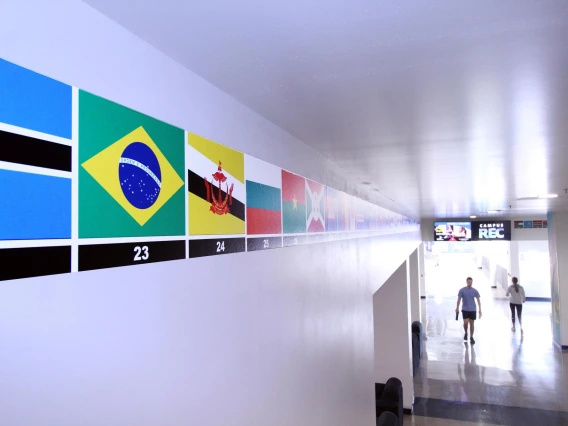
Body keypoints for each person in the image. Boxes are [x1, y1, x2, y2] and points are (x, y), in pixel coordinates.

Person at [455, 277, 482, 344]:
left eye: (471, 282)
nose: (470, 283)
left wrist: (480, 309)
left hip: (472, 309)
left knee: (472, 323)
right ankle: (466, 332)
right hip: (465, 308)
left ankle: (471, 337)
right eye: (469, 282)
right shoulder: (462, 290)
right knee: (466, 322)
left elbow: (478, 300)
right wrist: (457, 308)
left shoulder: (475, 291)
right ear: (466, 282)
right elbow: (459, 299)